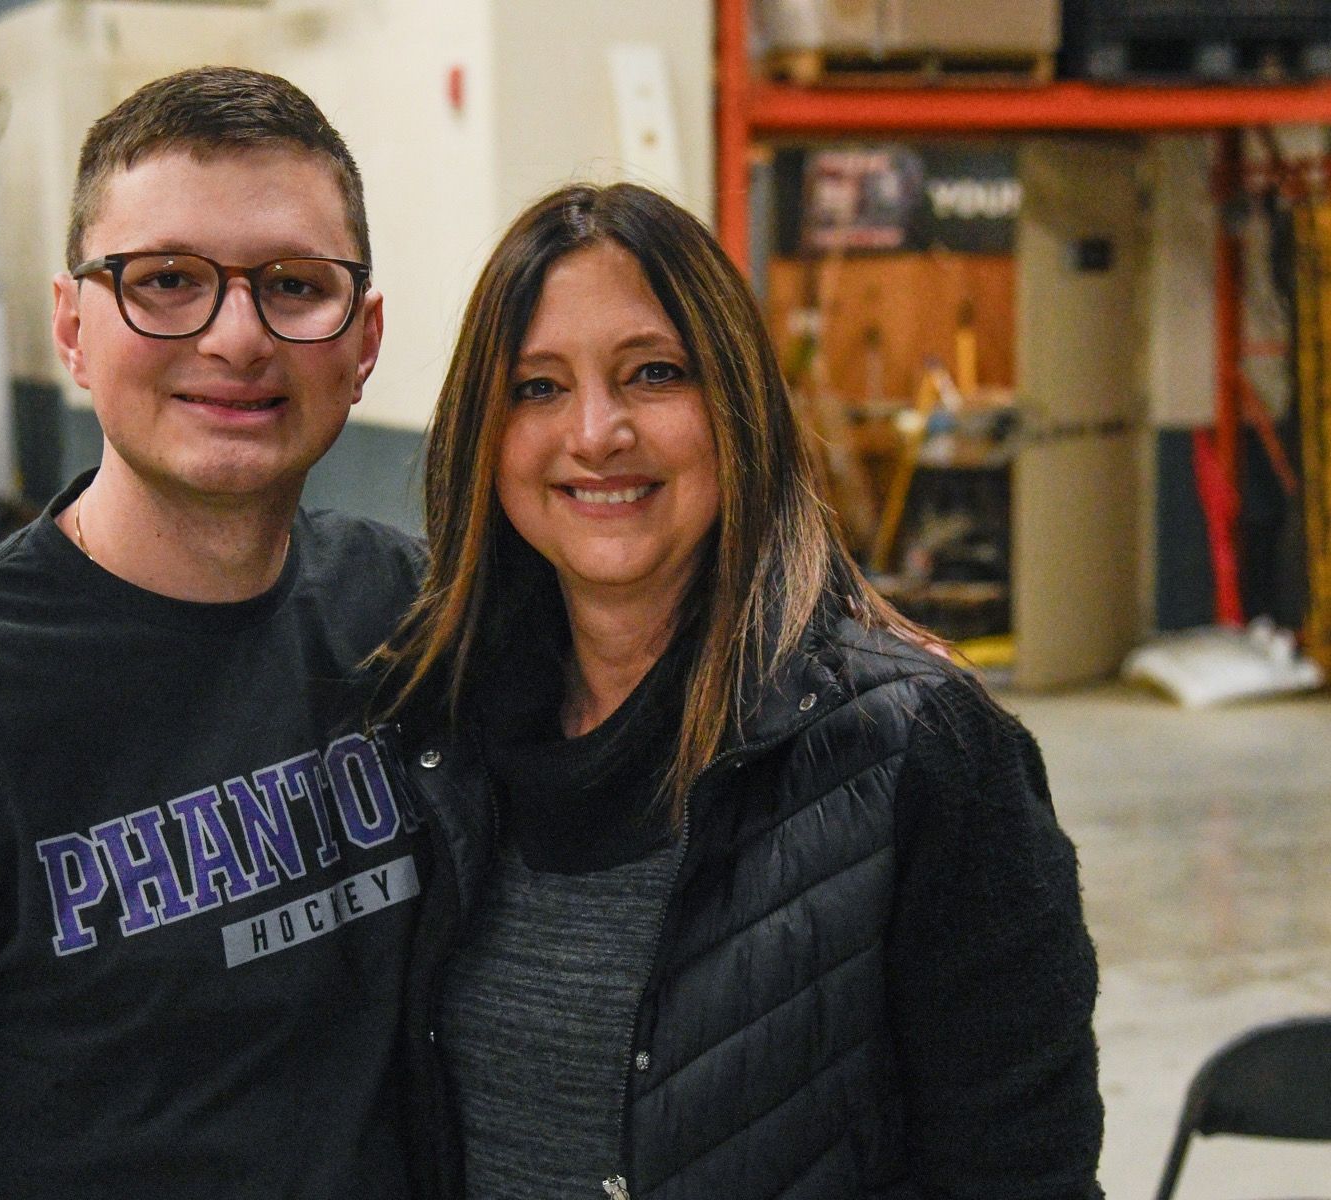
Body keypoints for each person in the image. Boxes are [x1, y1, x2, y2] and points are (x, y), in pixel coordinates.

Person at [0, 67, 429, 1199]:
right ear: (72, 328)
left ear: (364, 339)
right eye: (165, 281)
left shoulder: (408, 613)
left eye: (296, 285)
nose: (237, 335)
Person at [376, 183, 1103, 1200]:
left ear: (740, 405)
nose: (596, 431)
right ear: (480, 439)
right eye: (537, 388)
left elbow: (1020, 1173)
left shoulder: (921, 752)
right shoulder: (433, 734)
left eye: (655, 375)